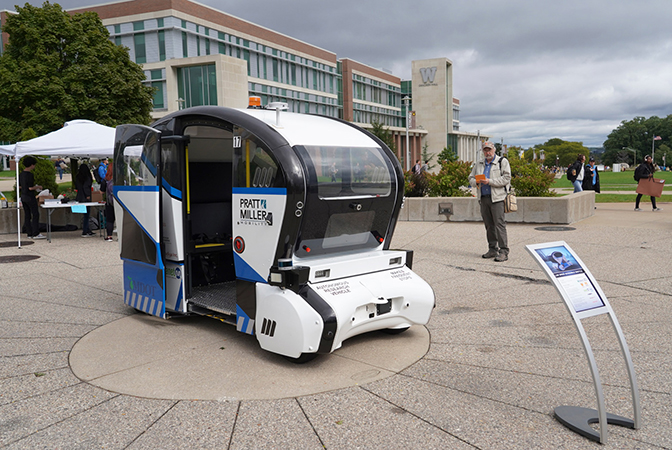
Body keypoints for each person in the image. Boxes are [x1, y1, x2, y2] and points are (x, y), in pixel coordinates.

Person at [469, 141, 512, 262]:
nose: (487, 152)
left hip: (497, 198)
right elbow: (470, 178)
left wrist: (490, 181)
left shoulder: (502, 162)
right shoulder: (479, 164)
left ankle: (503, 251)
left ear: (494, 150)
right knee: (489, 226)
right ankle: (492, 249)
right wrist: (476, 182)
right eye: (485, 150)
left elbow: (507, 178)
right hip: (483, 198)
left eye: (489, 150)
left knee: (499, 225)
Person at [19, 156, 46, 239]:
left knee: (27, 215)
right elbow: (30, 187)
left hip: (23, 196)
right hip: (30, 196)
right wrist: (38, 187)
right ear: (31, 165)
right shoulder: (30, 175)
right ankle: (36, 233)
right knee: (35, 214)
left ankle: (29, 233)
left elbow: (20, 186)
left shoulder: (21, 174)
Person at [75, 162, 95, 237]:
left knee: (85, 214)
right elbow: (86, 186)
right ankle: (85, 231)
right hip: (86, 197)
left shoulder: (78, 177)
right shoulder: (87, 177)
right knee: (87, 214)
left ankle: (87, 229)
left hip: (80, 196)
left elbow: (77, 186)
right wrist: (88, 195)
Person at [104, 163, 115, 241]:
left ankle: (109, 236)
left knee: (109, 220)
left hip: (109, 202)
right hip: (119, 202)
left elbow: (101, 191)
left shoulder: (106, 180)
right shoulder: (121, 179)